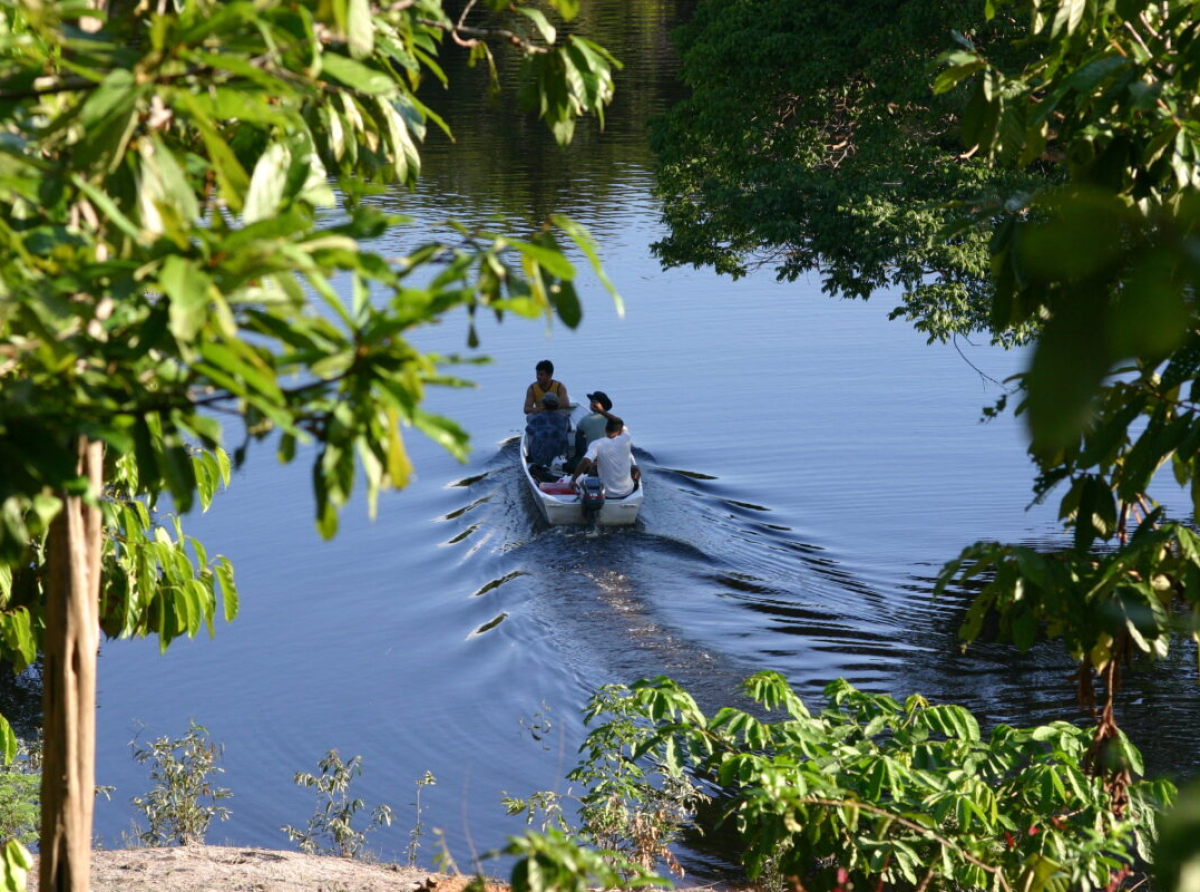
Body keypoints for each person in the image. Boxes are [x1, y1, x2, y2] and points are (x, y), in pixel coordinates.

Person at [572, 415, 640, 498]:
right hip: (628, 492)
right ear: (619, 431)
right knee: (635, 468)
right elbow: (622, 425)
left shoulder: (597, 444)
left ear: (605, 429)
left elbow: (586, 461)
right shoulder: (626, 438)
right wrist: (602, 411)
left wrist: (573, 480)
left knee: (593, 468)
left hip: (605, 494)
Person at [525, 392, 570, 466]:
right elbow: (568, 429)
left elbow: (528, 430)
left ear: (544, 405)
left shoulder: (536, 418)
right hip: (559, 457)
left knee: (530, 433)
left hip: (540, 457)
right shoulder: (565, 419)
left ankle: (530, 457)